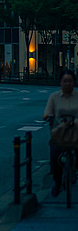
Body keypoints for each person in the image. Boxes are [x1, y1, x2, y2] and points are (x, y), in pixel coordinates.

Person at [42, 68, 78, 197]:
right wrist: (47, 116)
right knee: (55, 155)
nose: (67, 84)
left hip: (76, 132)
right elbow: (47, 112)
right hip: (60, 132)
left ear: (74, 82)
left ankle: (74, 171)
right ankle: (57, 182)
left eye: (70, 81)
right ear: (60, 83)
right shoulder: (54, 97)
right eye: (65, 81)